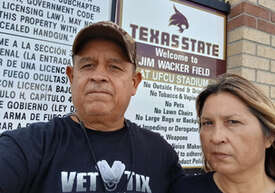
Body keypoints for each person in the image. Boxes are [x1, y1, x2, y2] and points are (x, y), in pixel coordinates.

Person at [0, 21, 183, 193]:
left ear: (134, 83)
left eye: (114, 67)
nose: (98, 76)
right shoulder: (31, 146)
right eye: (88, 65)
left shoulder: (160, 154)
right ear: (72, 77)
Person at [172, 74, 275, 193]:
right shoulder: (182, 189)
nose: (216, 138)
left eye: (233, 122)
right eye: (207, 123)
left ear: (269, 136)